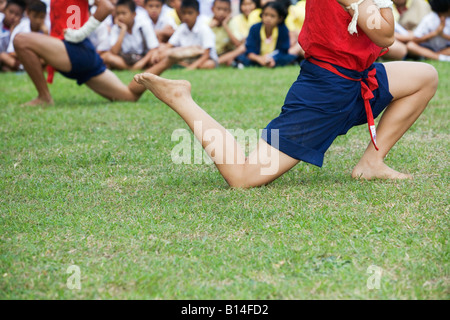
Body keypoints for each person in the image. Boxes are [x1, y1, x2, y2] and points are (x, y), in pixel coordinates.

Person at [134, 0, 438, 188]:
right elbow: (384, 34)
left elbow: (387, 40)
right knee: (243, 177)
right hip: (325, 90)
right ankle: (181, 98)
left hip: (358, 78)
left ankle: (371, 163)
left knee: (424, 76)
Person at [14, 0, 145, 106]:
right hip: (79, 54)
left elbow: (106, 6)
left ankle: (44, 97)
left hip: (74, 50)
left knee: (21, 40)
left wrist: (80, 33)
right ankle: (164, 62)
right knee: (129, 96)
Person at [144, 0, 217, 74]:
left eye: (190, 13)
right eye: (184, 13)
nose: (186, 16)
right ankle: (180, 65)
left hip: (201, 59)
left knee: (209, 64)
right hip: (185, 58)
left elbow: (206, 55)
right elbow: (168, 46)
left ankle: (181, 66)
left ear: (198, 13)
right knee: (162, 51)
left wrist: (190, 68)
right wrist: (157, 52)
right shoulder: (182, 27)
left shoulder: (204, 29)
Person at [102, 0, 160, 70]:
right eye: (118, 14)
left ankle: (133, 67)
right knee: (106, 56)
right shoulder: (116, 28)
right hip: (125, 59)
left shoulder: (144, 24)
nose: (120, 17)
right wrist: (123, 31)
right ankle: (131, 68)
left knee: (157, 55)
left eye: (124, 13)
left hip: (143, 57)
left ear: (133, 14)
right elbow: (114, 52)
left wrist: (141, 63)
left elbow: (153, 48)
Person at [236, 1, 297, 67]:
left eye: (272, 16)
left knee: (290, 57)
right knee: (242, 57)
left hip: (274, 58)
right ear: (262, 15)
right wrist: (259, 59)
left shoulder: (283, 29)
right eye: (265, 15)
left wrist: (273, 59)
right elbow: (250, 50)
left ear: (280, 18)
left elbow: (283, 50)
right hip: (257, 57)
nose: (268, 18)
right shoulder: (255, 28)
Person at [1, 0, 47, 71]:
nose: (38, 20)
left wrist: (46, 33)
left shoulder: (47, 28)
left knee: (46, 60)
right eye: (35, 16)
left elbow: (48, 53)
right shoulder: (20, 27)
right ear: (28, 13)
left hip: (37, 60)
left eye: (41, 17)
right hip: (22, 59)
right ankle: (24, 68)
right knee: (3, 56)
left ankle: (25, 68)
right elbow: (11, 52)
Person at [208, 0, 242, 65]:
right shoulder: (207, 22)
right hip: (209, 55)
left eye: (225, 10)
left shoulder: (231, 23)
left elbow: (238, 44)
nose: (221, 12)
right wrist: (208, 28)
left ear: (230, 11)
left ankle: (215, 63)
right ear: (212, 9)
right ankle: (214, 63)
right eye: (219, 9)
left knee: (242, 48)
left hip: (225, 54)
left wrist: (225, 26)